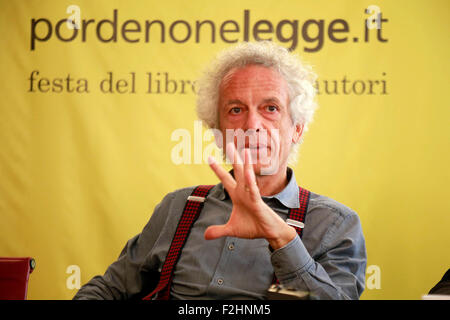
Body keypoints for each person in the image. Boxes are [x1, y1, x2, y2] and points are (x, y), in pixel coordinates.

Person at [73, 41, 367, 300]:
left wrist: (283, 239)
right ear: (218, 134)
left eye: (271, 108)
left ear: (297, 129)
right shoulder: (178, 206)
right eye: (236, 110)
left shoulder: (336, 224)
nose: (252, 125)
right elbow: (110, 289)